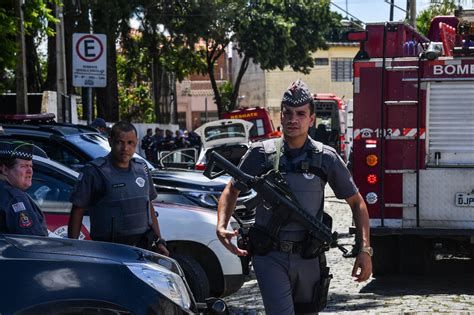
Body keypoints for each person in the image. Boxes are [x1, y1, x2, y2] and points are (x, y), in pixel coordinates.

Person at [216, 80, 372, 314]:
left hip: (309, 257)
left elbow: (357, 203)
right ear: (280, 116)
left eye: (300, 114)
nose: (293, 119)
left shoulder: (325, 158)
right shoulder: (262, 154)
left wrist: (365, 250)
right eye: (287, 113)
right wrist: (221, 225)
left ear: (311, 119)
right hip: (270, 256)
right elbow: (232, 189)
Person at [67, 121, 169, 256]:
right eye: (119, 142)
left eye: (130, 143)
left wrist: (159, 240)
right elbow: (77, 211)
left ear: (136, 143)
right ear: (110, 142)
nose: (125, 148)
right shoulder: (94, 171)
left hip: (143, 249)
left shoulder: (142, 168)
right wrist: (73, 249)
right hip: (109, 251)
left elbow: (148, 205)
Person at [0, 141, 48, 236]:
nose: (29, 171)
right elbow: (33, 241)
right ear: (5, 169)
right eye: (23, 166)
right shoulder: (15, 198)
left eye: (31, 166)